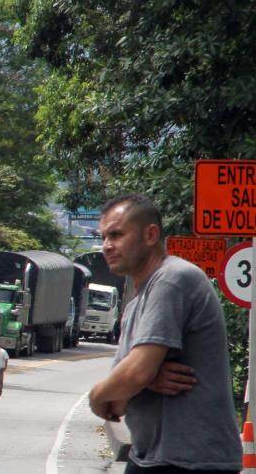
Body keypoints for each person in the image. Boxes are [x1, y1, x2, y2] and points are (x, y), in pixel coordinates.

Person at [87, 194, 241, 473]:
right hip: (152, 455)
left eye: (117, 235)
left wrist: (97, 394)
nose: (107, 246)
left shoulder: (172, 279)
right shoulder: (136, 304)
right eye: (104, 237)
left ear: (150, 234)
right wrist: (143, 380)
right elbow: (119, 400)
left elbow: (131, 376)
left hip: (189, 460)